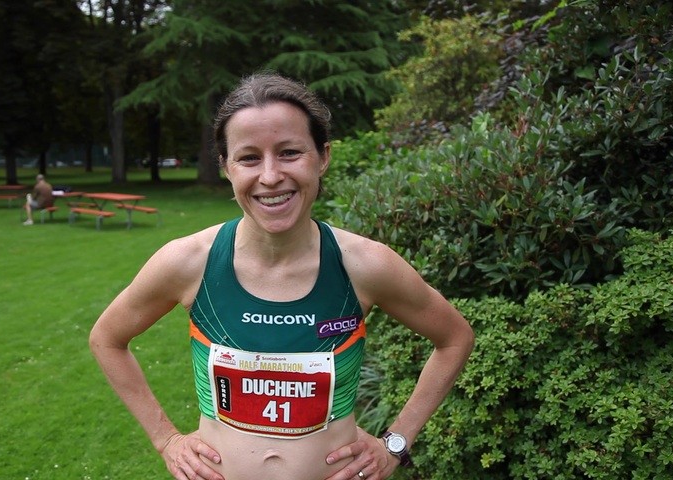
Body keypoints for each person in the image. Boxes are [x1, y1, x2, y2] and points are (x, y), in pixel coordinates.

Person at [89, 73, 474, 480]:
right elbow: (107, 339)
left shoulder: (364, 264)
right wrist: (166, 440)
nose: (270, 176)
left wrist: (396, 442)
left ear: (322, 157)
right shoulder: (189, 262)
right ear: (226, 166)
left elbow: (455, 338)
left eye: (289, 152)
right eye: (249, 158)